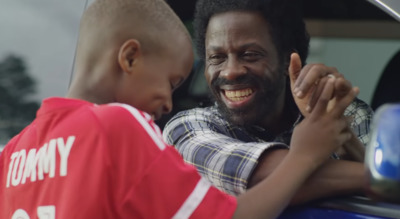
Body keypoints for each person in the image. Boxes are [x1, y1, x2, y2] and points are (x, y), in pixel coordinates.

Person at [0, 0, 358, 218]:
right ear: (130, 58)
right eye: (170, 82)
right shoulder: (120, 125)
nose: (170, 103)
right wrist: (304, 155)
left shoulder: (13, 151)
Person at [163, 0, 374, 204]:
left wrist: (342, 134)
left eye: (250, 55)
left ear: (287, 60)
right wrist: (385, 177)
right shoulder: (187, 129)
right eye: (217, 57)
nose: (230, 71)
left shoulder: (348, 112)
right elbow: (262, 179)